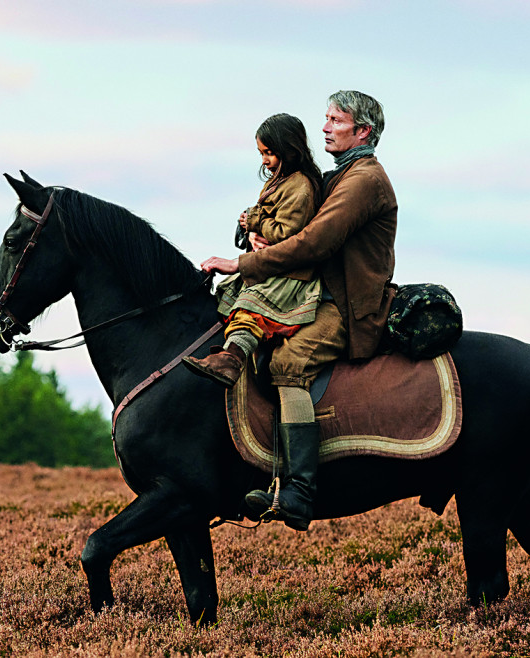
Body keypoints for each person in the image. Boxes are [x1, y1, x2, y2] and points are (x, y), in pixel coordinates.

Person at [199, 90, 398, 531]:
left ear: (362, 131)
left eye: (336, 120)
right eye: (325, 118)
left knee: (288, 361)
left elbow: (315, 242)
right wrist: (260, 236)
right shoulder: (337, 176)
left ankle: (300, 491)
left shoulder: (364, 180)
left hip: (345, 308)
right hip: (315, 293)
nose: (324, 127)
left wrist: (243, 262)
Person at [182, 113, 325, 388]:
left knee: (251, 308)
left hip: (287, 275)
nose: (265, 161)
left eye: (270, 153)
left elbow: (288, 234)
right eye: (262, 153)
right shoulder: (279, 181)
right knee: (230, 296)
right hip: (267, 264)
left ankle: (231, 360)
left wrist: (257, 223)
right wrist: (250, 231)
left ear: (289, 149)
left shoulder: (302, 187)